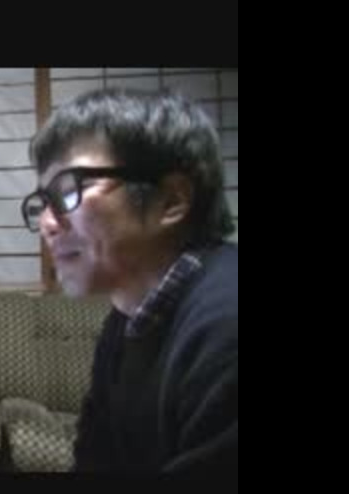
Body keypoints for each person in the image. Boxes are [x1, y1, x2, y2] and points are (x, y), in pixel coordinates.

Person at [22, 87, 237, 472]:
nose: (47, 224)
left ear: (171, 200)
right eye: (43, 203)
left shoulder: (226, 326)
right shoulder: (128, 316)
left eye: (69, 190)